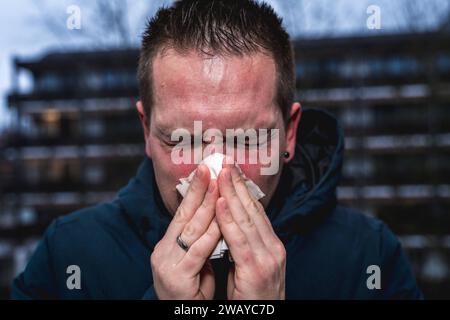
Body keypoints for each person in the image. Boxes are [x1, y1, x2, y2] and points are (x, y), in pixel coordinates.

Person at [12, 0, 422, 299]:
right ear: (146, 132)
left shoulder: (370, 257)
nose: (214, 169)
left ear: (290, 134)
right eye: (182, 139)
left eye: (248, 139)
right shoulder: (67, 255)